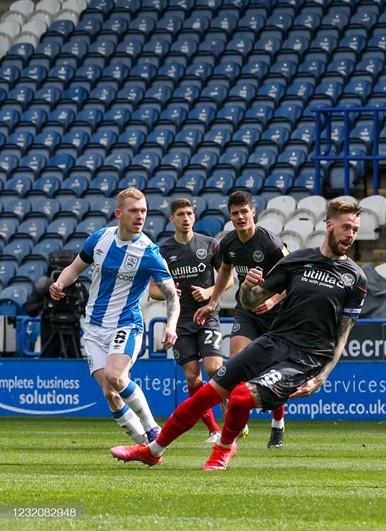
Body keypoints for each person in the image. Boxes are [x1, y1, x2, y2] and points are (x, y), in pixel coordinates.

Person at [111, 200, 368, 470]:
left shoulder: (355, 278)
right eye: (346, 227)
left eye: (355, 229)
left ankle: (224, 447)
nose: (350, 235)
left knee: (242, 397)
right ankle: (153, 451)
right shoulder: (298, 260)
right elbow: (249, 301)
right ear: (329, 225)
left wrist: (322, 376)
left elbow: (344, 332)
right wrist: (246, 287)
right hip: (273, 342)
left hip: (305, 357)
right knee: (205, 395)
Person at [49, 188, 180, 444]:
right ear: (119, 213)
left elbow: (171, 295)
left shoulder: (149, 252)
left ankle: (153, 428)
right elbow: (75, 268)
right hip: (94, 328)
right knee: (110, 393)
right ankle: (145, 447)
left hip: (126, 324)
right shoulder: (100, 238)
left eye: (143, 211)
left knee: (116, 377)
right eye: (133, 210)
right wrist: (59, 284)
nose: (140, 216)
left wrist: (171, 325)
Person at [193, 190, 290, 448]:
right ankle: (237, 420)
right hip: (247, 310)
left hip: (276, 316)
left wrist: (272, 300)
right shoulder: (229, 244)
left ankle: (277, 425)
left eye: (243, 211)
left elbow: (295, 278)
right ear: (230, 215)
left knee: (273, 373)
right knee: (237, 363)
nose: (239, 217)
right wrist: (212, 302)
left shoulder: (270, 243)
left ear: (253, 212)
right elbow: (225, 271)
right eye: (234, 213)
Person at [148, 198, 233, 444]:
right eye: (180, 214)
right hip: (181, 321)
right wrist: (167, 290)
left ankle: (233, 419)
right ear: (171, 219)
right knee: (193, 377)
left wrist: (209, 293)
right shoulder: (163, 251)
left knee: (214, 369)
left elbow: (228, 279)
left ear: (194, 217)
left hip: (207, 316)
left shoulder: (209, 244)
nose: (186, 218)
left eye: (189, 214)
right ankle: (214, 430)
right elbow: (153, 290)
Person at [24, 249, 88, 358]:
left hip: (72, 332)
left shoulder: (78, 288)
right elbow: (29, 309)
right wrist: (45, 303)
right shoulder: (45, 287)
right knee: (48, 367)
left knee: (73, 365)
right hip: (50, 331)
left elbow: (88, 309)